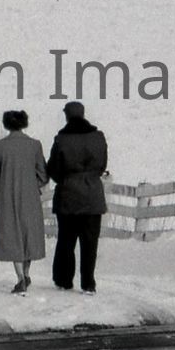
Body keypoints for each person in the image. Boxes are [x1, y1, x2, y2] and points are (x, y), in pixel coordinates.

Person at [0, 107, 49, 293]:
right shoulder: (35, 145)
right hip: (30, 197)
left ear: (6, 124)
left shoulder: (0, 146)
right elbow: (43, 175)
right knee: (28, 235)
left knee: (12, 236)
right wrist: (33, 185)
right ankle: (26, 273)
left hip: (7, 197)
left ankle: (20, 278)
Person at [46, 99, 109, 292]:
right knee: (90, 242)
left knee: (66, 240)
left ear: (67, 116)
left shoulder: (61, 139)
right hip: (93, 196)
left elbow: (53, 168)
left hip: (68, 195)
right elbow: (102, 165)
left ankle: (64, 280)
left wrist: (66, 180)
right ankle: (88, 283)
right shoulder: (98, 137)